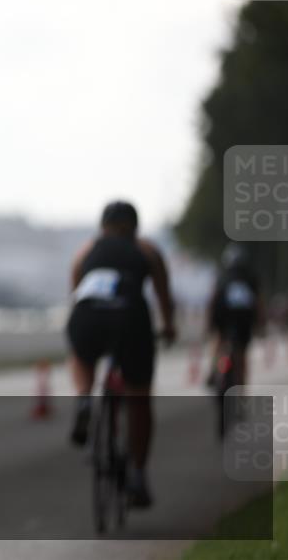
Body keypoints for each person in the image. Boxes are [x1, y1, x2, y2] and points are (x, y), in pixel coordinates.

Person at [65, 201, 176, 508]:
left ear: (102, 227)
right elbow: (164, 297)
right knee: (139, 397)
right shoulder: (148, 251)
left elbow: (76, 296)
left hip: (88, 316)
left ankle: (85, 396)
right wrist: (168, 328)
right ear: (135, 227)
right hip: (130, 318)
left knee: (81, 354)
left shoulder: (84, 252)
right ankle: (138, 475)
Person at [206, 243, 263, 388]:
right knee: (241, 359)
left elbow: (212, 301)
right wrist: (261, 324)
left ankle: (213, 370)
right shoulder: (250, 278)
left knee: (218, 341)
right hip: (243, 323)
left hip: (225, 321)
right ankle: (242, 391)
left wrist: (209, 324)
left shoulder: (222, 277)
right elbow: (259, 304)